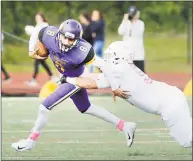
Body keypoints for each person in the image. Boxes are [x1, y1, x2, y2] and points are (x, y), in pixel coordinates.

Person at [11, 19, 136, 152]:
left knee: (44, 107)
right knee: (86, 108)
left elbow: (104, 65)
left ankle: (31, 141)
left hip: (76, 79)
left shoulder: (83, 51)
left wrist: (115, 87)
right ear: (59, 34)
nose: (66, 42)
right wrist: (31, 49)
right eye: (64, 37)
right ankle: (124, 125)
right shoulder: (49, 35)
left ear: (77, 40)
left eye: (71, 40)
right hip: (65, 77)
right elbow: (38, 30)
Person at [59, 41, 192, 148]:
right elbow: (95, 77)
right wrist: (78, 75)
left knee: (186, 142)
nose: (107, 59)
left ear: (117, 57)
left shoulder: (118, 71)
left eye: (110, 56)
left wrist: (67, 79)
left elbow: (90, 84)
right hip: (172, 96)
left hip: (170, 105)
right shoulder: (123, 69)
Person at [25, 12, 56, 87]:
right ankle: (52, 76)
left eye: (38, 18)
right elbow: (35, 35)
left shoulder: (45, 25)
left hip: (42, 47)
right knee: (42, 62)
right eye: (36, 18)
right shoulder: (38, 25)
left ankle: (34, 80)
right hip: (38, 47)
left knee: (37, 63)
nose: (37, 19)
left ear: (42, 18)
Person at [118, 6, 145, 72]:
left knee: (140, 75)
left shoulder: (140, 23)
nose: (132, 16)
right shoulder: (126, 23)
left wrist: (134, 21)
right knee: (127, 75)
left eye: (134, 14)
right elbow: (120, 32)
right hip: (127, 54)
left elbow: (138, 33)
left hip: (138, 55)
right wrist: (124, 21)